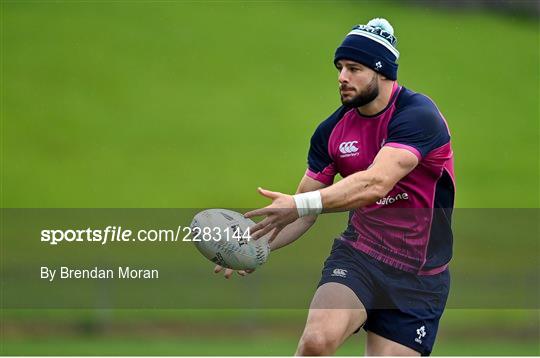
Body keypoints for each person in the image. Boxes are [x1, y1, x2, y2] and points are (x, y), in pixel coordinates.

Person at [214, 18, 455, 356]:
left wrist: (301, 204)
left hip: (419, 276)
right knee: (316, 341)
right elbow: (299, 212)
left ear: (382, 71)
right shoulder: (332, 131)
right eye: (340, 68)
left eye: (354, 68)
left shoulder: (419, 117)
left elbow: (375, 183)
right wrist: (250, 244)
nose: (342, 77)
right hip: (361, 257)